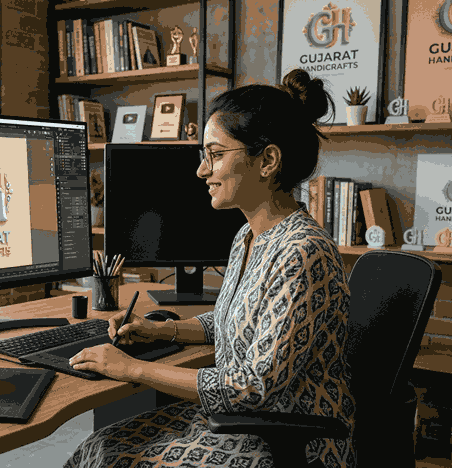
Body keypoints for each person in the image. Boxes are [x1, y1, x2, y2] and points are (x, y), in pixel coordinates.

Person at [65, 68, 356, 468]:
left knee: (114, 456)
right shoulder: (249, 236)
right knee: (98, 446)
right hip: (241, 422)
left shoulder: (303, 253)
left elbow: (251, 388)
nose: (202, 170)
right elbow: (228, 320)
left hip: (290, 440)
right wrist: (160, 329)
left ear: (268, 160)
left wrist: (132, 368)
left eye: (216, 155)